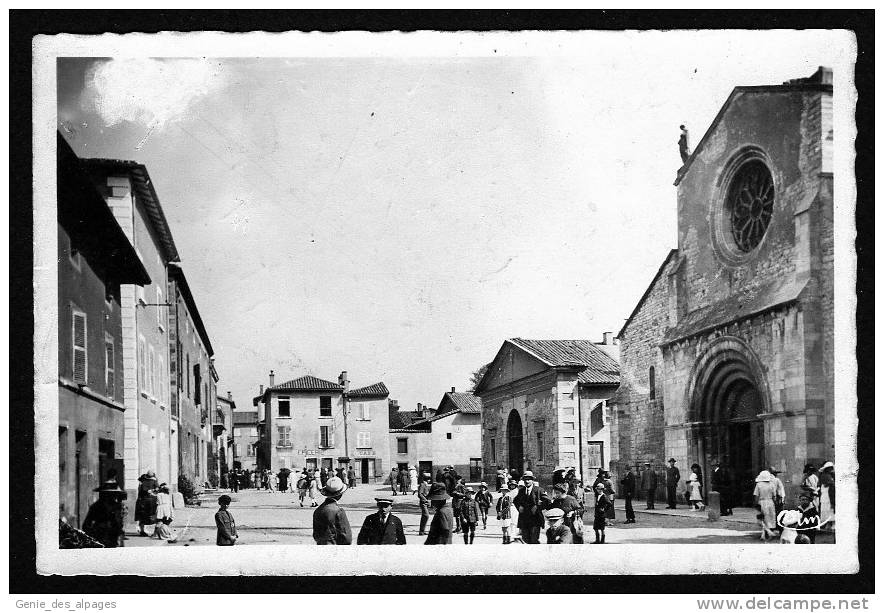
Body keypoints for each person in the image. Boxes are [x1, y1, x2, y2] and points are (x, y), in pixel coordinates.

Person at [82, 479, 127, 548]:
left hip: (114, 539)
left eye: (114, 493)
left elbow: (119, 523)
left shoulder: (118, 506)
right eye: (111, 494)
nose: (114, 496)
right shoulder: (96, 506)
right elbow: (86, 525)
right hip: (100, 538)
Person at [312, 477, 352, 545]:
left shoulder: (318, 510)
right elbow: (347, 538)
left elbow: (316, 535)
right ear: (340, 494)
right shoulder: (338, 511)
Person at [513, 471, 549, 544]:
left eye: (529, 479)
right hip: (524, 520)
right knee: (525, 540)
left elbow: (547, 501)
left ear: (532, 480)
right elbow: (515, 500)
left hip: (535, 520)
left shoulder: (539, 490)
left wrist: (538, 507)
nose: (527, 481)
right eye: (525, 479)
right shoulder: (521, 491)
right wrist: (519, 507)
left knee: (534, 540)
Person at [753, 470, 778, 541]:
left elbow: (756, 496)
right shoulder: (772, 484)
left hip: (762, 502)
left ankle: (765, 533)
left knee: (762, 518)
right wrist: (774, 502)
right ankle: (767, 533)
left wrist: (756, 504)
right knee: (770, 517)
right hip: (770, 502)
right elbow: (774, 496)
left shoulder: (759, 485)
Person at [135, 470, 158, 536]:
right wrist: (153, 490)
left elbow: (140, 490)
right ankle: (154, 532)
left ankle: (142, 530)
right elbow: (157, 489)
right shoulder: (153, 481)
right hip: (150, 501)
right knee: (152, 516)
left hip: (142, 500)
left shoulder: (142, 480)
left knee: (142, 517)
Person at [818, 461, 835, 529]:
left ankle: (831, 523)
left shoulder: (830, 476)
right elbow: (828, 483)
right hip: (826, 496)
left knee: (829, 509)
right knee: (827, 509)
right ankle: (829, 523)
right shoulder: (825, 476)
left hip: (828, 495)